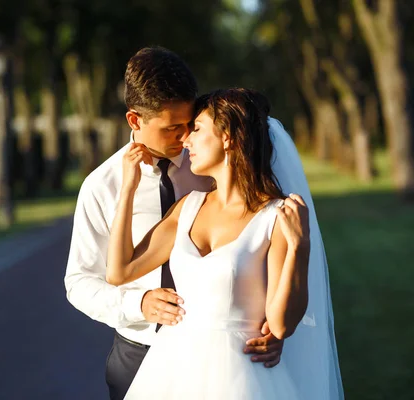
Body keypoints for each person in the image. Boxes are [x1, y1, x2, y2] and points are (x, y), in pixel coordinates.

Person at [64, 47, 286, 400]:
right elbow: (78, 282)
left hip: (220, 357)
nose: (185, 138)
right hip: (139, 352)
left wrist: (275, 328)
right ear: (135, 121)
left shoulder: (210, 168)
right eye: (172, 128)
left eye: (190, 124)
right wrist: (138, 304)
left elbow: (261, 245)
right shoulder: (101, 186)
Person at [107, 88, 312, 399]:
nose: (185, 140)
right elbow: (119, 271)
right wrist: (128, 188)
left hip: (241, 378)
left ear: (228, 137)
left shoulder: (275, 216)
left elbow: (281, 325)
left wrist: (300, 247)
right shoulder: (188, 207)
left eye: (197, 129)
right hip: (172, 371)